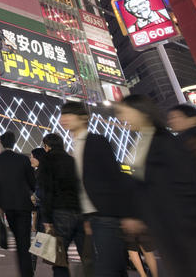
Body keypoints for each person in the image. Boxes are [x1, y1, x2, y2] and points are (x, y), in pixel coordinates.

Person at [116, 95, 196, 277]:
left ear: (142, 112)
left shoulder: (164, 141)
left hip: (186, 228)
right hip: (168, 227)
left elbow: (181, 185)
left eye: (125, 112)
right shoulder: (145, 140)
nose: (122, 118)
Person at [60, 101, 129, 277]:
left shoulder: (96, 141)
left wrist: (126, 214)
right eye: (62, 115)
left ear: (83, 118)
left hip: (105, 213)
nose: (63, 119)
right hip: (92, 216)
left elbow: (113, 176)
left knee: (108, 269)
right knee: (113, 267)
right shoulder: (75, 146)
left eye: (69, 115)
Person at [39, 133, 93, 277]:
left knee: (59, 259)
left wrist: (47, 219)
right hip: (79, 211)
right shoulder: (72, 160)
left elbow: (46, 191)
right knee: (87, 258)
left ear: (46, 146)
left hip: (59, 212)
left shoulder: (46, 160)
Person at [0, 131, 35, 277]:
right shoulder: (23, 159)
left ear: (2, 143)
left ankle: (24, 272)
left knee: (18, 239)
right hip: (23, 205)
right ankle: (27, 273)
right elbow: (32, 181)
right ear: (14, 142)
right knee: (24, 242)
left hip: (8, 206)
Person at [167, 103, 196, 215]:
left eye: (175, 117)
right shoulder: (176, 143)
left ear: (195, 119)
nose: (171, 121)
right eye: (170, 118)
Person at [30, 147, 46, 234]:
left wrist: (34, 196)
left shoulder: (42, 172)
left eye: (32, 157)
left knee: (42, 239)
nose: (31, 159)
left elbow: (41, 192)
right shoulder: (38, 171)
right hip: (41, 210)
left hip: (44, 211)